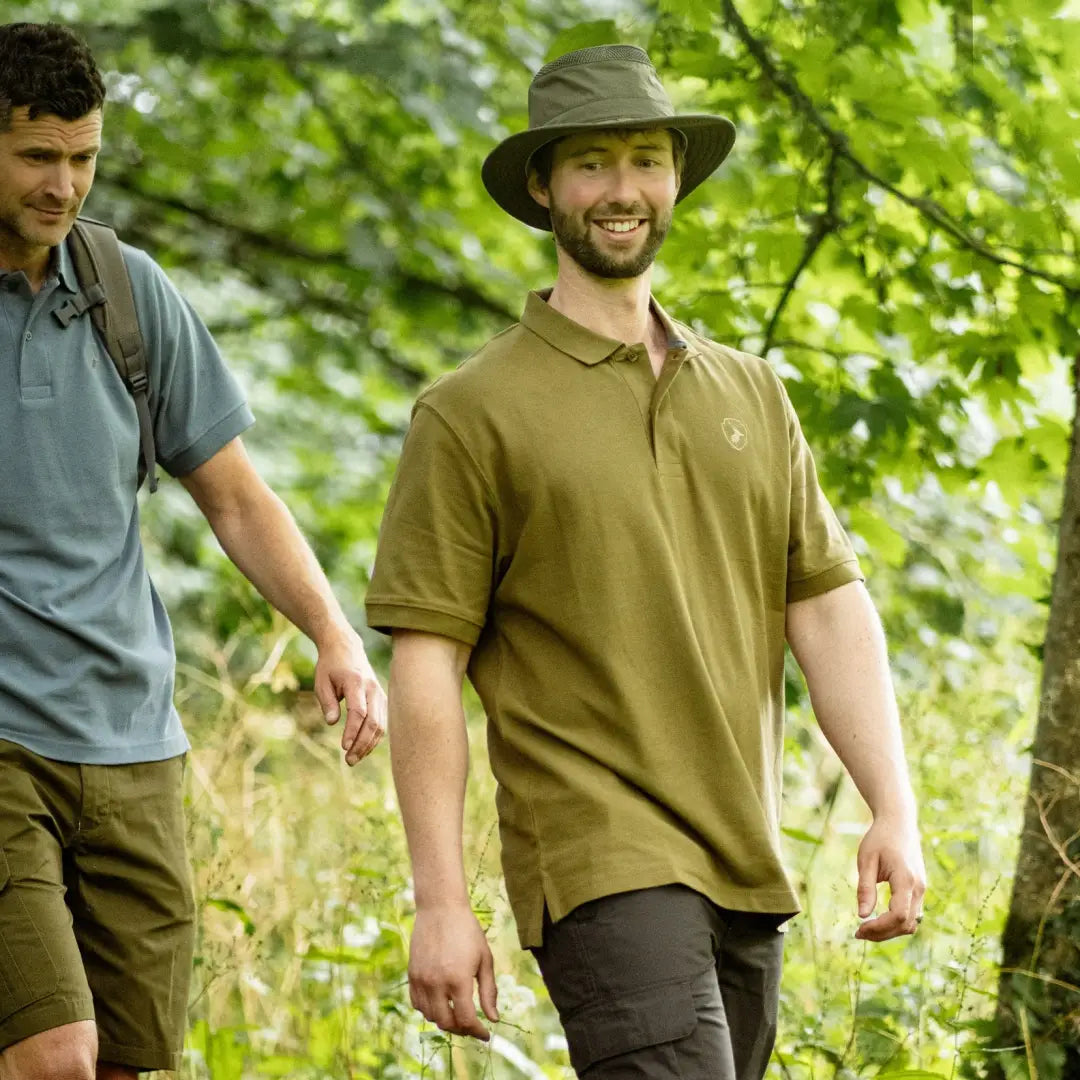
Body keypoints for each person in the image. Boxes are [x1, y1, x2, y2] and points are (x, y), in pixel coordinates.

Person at [366, 43, 926, 1079]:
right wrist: (440, 903)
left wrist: (892, 807)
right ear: (544, 188)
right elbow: (428, 660)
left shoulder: (752, 392)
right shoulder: (471, 412)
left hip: (745, 854)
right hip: (597, 857)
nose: (621, 190)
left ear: (676, 178)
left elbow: (829, 606)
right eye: (590, 163)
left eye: (644, 160)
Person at [0, 22, 386, 1080]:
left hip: (132, 738)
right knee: (53, 1057)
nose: (64, 185)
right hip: (2, 745)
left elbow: (237, 498)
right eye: (38, 156)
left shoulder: (127, 294)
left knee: (125, 1063)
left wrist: (333, 633)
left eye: (83, 159)